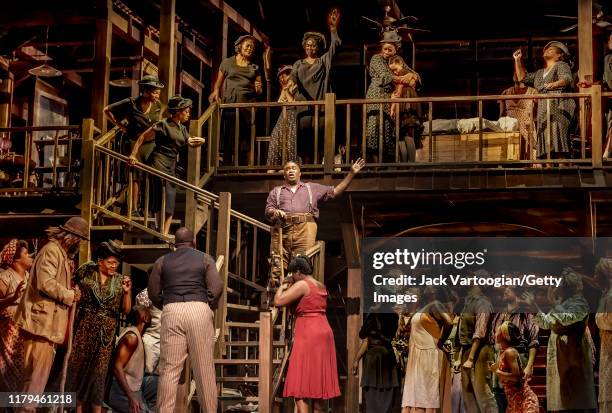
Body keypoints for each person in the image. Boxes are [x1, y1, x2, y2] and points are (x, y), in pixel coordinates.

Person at [13, 217, 88, 412]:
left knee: (34, 381)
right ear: (71, 238)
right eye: (79, 239)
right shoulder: (52, 251)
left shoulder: (59, 253)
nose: (79, 244)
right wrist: (70, 295)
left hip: (46, 327)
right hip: (40, 325)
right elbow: (45, 283)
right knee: (34, 382)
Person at [148, 227, 224, 413]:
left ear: (174, 244)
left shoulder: (162, 261)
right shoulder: (205, 258)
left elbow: (153, 292)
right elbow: (216, 287)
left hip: (172, 310)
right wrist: (208, 306)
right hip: (198, 308)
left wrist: (167, 304)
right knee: (204, 370)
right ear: (194, 242)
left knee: (169, 371)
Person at [264, 158, 365, 287]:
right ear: (284, 174)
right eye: (287, 169)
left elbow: (335, 191)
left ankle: (298, 300)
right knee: (277, 265)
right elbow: (268, 210)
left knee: (300, 266)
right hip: (282, 230)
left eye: (293, 168)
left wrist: (351, 174)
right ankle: (275, 302)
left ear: (299, 173)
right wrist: (274, 212)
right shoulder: (276, 191)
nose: (290, 171)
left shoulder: (311, 188)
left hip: (304, 230)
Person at [65, 241, 132, 413]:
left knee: (99, 374)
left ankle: (96, 409)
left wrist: (126, 293)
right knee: (78, 369)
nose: (113, 266)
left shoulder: (120, 280)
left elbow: (126, 310)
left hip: (106, 333)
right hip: (84, 328)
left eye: (116, 263)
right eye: (110, 262)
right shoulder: (87, 271)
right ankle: (76, 409)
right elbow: (71, 283)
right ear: (100, 261)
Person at [523, 268, 597, 412]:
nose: (554, 288)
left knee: (575, 400)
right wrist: (534, 306)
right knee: (562, 400)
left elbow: (566, 318)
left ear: (567, 287)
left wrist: (554, 303)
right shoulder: (563, 302)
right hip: (560, 354)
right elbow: (546, 323)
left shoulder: (580, 303)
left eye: (558, 285)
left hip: (573, 355)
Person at [129, 96, 205, 236]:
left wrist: (200, 140)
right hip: (158, 161)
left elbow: (190, 141)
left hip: (171, 164)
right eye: (186, 111)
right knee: (160, 196)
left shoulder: (182, 128)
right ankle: (158, 230)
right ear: (177, 112)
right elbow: (142, 137)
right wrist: (133, 155)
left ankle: (163, 233)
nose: (188, 114)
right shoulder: (163, 124)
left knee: (170, 197)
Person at [274, 256, 340, 413]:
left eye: (293, 273)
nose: (292, 276)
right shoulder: (320, 284)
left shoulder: (303, 285)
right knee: (318, 385)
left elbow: (278, 301)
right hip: (323, 330)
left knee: (300, 384)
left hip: (309, 332)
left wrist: (282, 286)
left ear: (298, 272)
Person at [104, 75, 165, 215]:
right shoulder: (131, 103)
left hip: (150, 143)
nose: (157, 95)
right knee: (135, 175)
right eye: (155, 92)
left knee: (150, 174)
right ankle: (134, 208)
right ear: (146, 91)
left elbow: (158, 123)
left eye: (158, 93)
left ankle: (147, 207)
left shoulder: (158, 105)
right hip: (133, 142)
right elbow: (106, 110)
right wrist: (119, 125)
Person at [291, 9, 341, 163]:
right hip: (303, 107)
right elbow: (292, 80)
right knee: (304, 140)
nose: (310, 48)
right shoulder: (298, 64)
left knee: (320, 138)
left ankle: (318, 168)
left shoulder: (323, 61)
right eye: (308, 45)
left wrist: (333, 29)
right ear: (304, 46)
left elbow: (335, 45)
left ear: (318, 48)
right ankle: (305, 169)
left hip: (321, 107)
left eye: (313, 46)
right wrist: (289, 89)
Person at [513, 42, 576, 160]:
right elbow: (523, 78)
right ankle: (548, 169)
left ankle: (563, 169)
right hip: (544, 109)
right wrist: (517, 60)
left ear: (559, 55)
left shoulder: (561, 65)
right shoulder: (539, 73)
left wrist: (554, 84)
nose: (547, 50)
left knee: (557, 138)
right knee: (546, 142)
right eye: (546, 50)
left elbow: (567, 79)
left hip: (558, 107)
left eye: (551, 50)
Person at [366, 30, 419, 163]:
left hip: (390, 102)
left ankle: (386, 167)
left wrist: (411, 75)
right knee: (375, 134)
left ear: (396, 49)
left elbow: (415, 75)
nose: (387, 52)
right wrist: (405, 78)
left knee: (388, 136)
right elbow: (386, 76)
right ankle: (376, 167)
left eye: (390, 49)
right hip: (377, 100)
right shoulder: (376, 58)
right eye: (385, 48)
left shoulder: (396, 60)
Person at [209, 34, 262, 165]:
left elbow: (259, 91)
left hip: (247, 107)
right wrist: (216, 91)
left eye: (252, 47)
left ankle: (246, 169)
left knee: (246, 141)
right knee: (229, 138)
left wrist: (258, 88)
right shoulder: (227, 62)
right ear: (239, 47)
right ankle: (226, 167)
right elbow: (218, 82)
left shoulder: (254, 67)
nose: (250, 48)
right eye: (247, 46)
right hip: (231, 105)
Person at [488, 285, 539, 412]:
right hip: (500, 356)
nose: (505, 290)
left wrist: (529, 365)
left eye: (509, 289)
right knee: (500, 394)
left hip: (518, 356)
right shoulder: (500, 315)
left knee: (518, 392)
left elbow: (533, 341)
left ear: (517, 293)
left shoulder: (525, 315)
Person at [456, 271, 498, 413]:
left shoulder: (483, 303)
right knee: (468, 394)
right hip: (467, 350)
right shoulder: (469, 302)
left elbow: (480, 332)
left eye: (471, 277)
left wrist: (471, 358)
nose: (466, 279)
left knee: (483, 394)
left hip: (480, 351)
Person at [108, 305, 156, 413]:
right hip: (122, 390)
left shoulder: (136, 335)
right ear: (145, 318)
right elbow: (117, 367)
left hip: (134, 386)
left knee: (158, 383)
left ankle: (143, 405)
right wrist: (130, 396)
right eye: (147, 312)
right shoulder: (132, 338)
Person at [0, 239, 33, 392]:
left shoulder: (30, 277)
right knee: (7, 376)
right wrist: (12, 298)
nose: (30, 256)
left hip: (26, 332)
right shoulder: (5, 278)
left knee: (26, 375)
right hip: (8, 334)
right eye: (26, 254)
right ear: (15, 260)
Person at [352, 312, 400, 413]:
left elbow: (388, 336)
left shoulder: (393, 316)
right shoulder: (371, 315)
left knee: (387, 397)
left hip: (385, 358)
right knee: (371, 397)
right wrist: (356, 360)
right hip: (373, 358)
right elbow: (363, 337)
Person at [489, 321, 539, 413]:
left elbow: (516, 377)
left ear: (504, 335)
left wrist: (497, 371)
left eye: (498, 331)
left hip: (525, 401)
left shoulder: (510, 352)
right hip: (514, 402)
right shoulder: (503, 352)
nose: (496, 333)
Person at [388, 55, 423, 163]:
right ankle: (405, 164)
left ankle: (410, 164)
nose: (395, 73)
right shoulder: (409, 74)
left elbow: (399, 90)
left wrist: (392, 107)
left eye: (396, 69)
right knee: (402, 135)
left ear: (401, 64)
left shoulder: (404, 72)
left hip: (406, 103)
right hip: (405, 102)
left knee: (407, 133)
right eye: (393, 71)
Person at [266, 65, 298, 170]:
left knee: (290, 141)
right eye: (282, 76)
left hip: (293, 115)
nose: (284, 78)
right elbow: (280, 102)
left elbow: (292, 103)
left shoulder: (297, 87)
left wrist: (286, 91)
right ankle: (273, 167)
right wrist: (284, 90)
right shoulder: (285, 88)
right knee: (276, 137)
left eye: (287, 74)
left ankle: (290, 167)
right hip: (284, 115)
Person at [594, 258, 612, 412]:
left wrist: (599, 319)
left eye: (597, 274)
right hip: (607, 348)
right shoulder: (606, 294)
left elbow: (609, 320)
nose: (595, 277)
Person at [604, 34, 612, 157]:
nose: (611, 41)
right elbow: (606, 80)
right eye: (610, 39)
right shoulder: (608, 58)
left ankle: (607, 153)